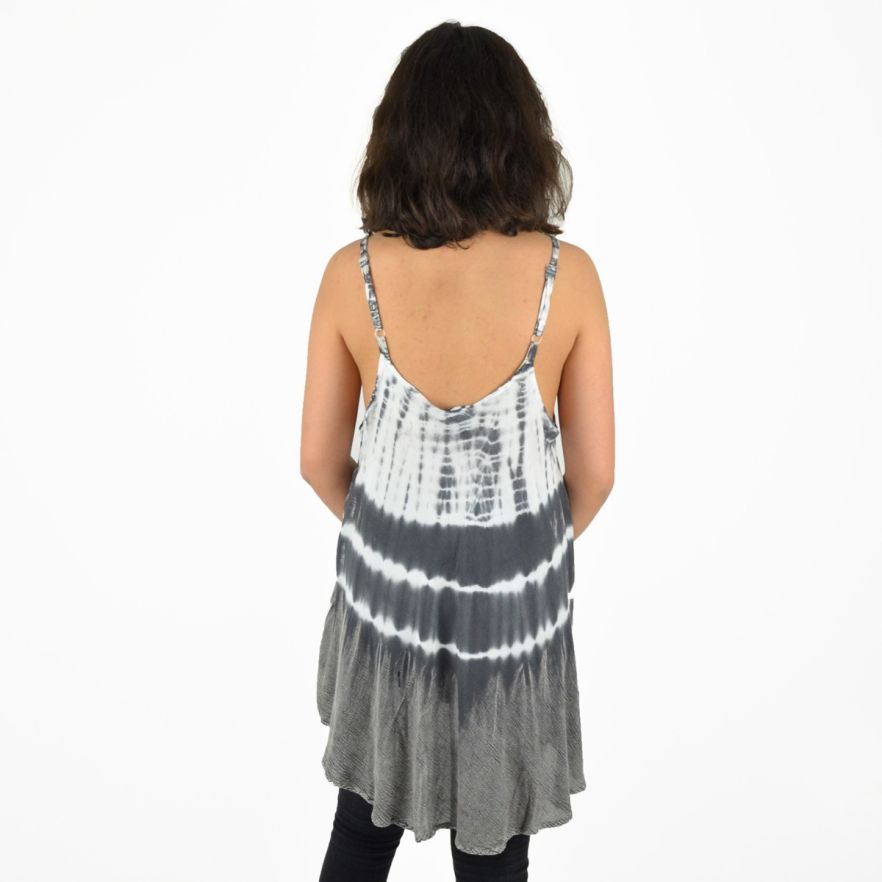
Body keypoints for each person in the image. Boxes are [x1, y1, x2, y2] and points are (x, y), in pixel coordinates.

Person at [300, 20, 615, 882]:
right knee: (496, 847)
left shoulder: (352, 274)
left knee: (361, 829)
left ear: (399, 136)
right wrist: (505, 559)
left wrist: (406, 541)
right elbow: (595, 475)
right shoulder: (569, 277)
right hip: (508, 621)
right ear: (520, 137)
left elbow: (318, 459)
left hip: (385, 606)